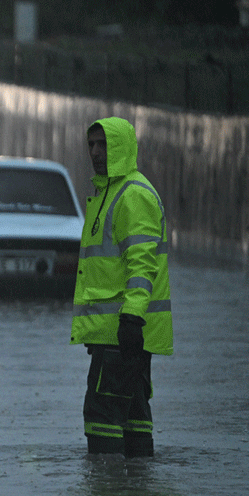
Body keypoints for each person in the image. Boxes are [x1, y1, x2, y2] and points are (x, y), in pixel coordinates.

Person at [71, 117, 173, 457]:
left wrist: (130, 319)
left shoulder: (133, 195)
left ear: (122, 147)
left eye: (104, 145)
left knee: (100, 417)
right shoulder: (109, 193)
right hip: (121, 333)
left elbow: (142, 265)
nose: (97, 153)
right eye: (92, 145)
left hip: (124, 332)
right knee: (132, 418)